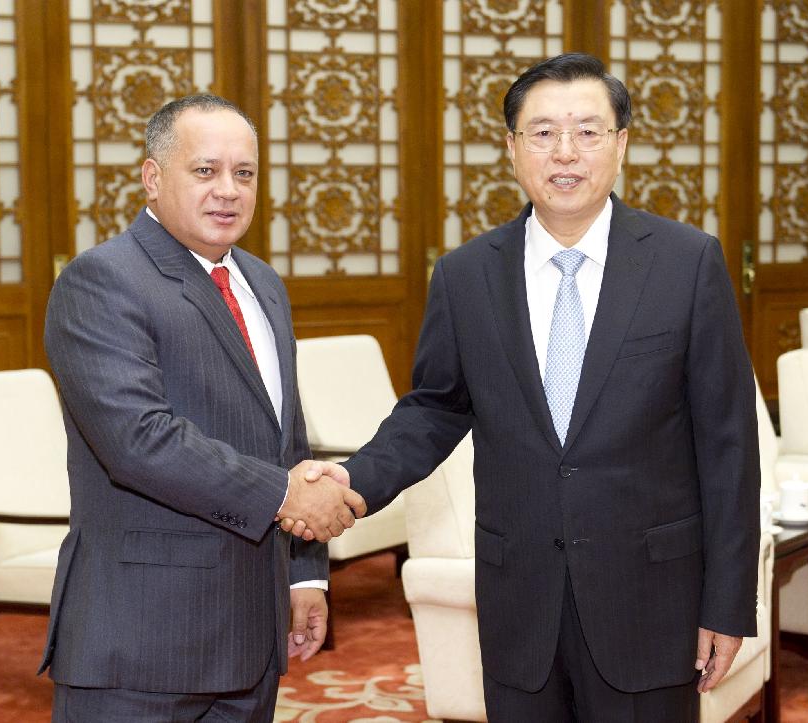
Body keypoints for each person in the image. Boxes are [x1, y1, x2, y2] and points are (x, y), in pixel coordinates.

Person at [286, 53, 760, 721]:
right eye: (542, 132)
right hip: (521, 603)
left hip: (649, 600)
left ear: (621, 145)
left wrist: (727, 602)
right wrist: (350, 480)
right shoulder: (466, 276)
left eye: (588, 131)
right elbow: (434, 409)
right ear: (511, 150)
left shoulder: (688, 265)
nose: (566, 151)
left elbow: (729, 448)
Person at [39, 94, 365, 722]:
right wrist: (287, 496)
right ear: (152, 177)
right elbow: (139, 440)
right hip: (141, 641)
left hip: (250, 637)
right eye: (205, 170)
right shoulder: (101, 280)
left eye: (244, 174)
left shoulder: (263, 284)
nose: (228, 191)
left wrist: (304, 576)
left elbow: (287, 442)